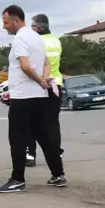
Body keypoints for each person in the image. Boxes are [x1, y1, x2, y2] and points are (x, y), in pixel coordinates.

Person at [0, 5, 66, 193]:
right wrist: (43, 79)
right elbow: (47, 63)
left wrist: (40, 80)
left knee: (17, 138)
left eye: (6, 22)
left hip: (23, 97)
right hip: (40, 98)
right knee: (44, 136)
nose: (4, 26)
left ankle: (17, 179)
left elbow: (25, 67)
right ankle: (58, 175)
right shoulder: (36, 37)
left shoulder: (20, 38)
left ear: (16, 20)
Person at [26, 14, 65, 167]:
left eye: (32, 26)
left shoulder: (36, 41)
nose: (31, 29)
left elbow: (31, 65)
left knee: (31, 121)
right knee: (52, 123)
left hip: (40, 84)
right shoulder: (56, 41)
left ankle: (31, 155)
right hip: (56, 85)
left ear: (38, 27)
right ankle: (56, 152)